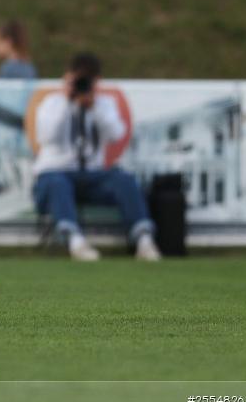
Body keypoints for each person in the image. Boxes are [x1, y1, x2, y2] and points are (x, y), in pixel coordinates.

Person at [32, 52, 161, 261]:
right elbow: (46, 137)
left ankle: (144, 240)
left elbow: (116, 134)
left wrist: (94, 108)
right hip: (55, 172)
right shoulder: (52, 102)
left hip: (93, 175)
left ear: (97, 81)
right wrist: (68, 101)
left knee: (124, 180)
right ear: (67, 77)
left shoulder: (104, 104)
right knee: (57, 183)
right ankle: (75, 241)